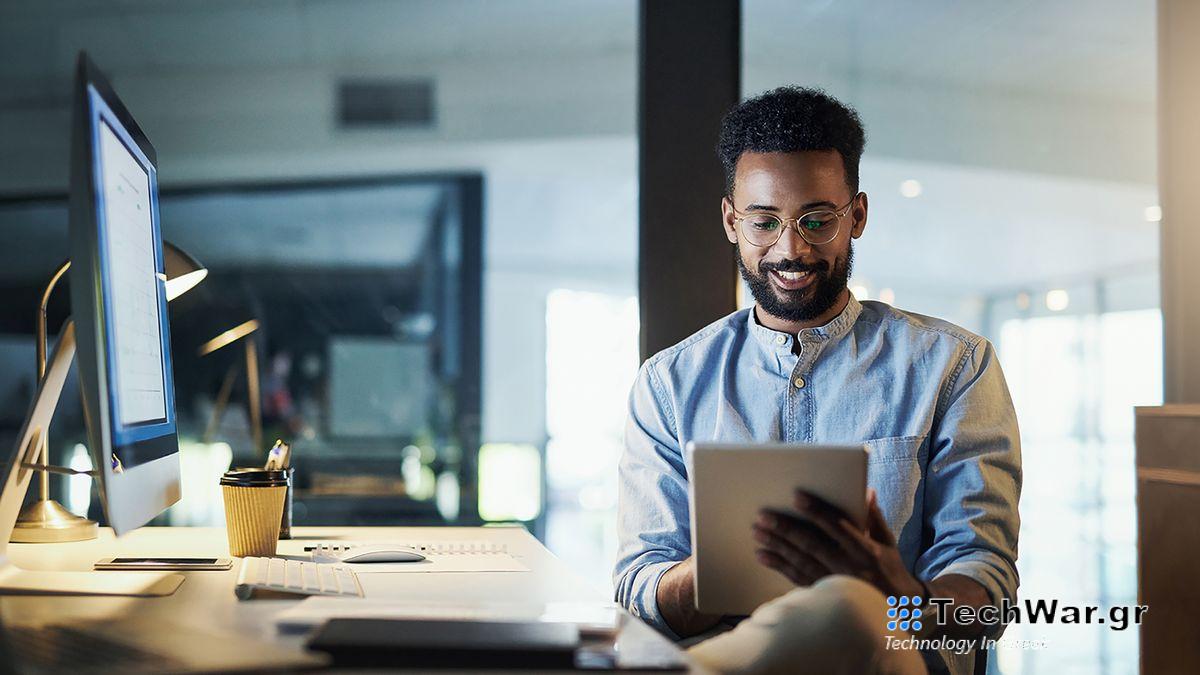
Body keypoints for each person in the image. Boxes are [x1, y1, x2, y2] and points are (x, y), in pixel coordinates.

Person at [614, 87, 1021, 675]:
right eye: (764, 222)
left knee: (852, 607)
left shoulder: (954, 366)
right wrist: (728, 568)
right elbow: (638, 587)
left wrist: (896, 595)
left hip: (891, 657)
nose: (791, 248)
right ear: (732, 221)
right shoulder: (668, 385)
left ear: (855, 216)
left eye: (816, 220)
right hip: (733, 654)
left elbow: (986, 592)